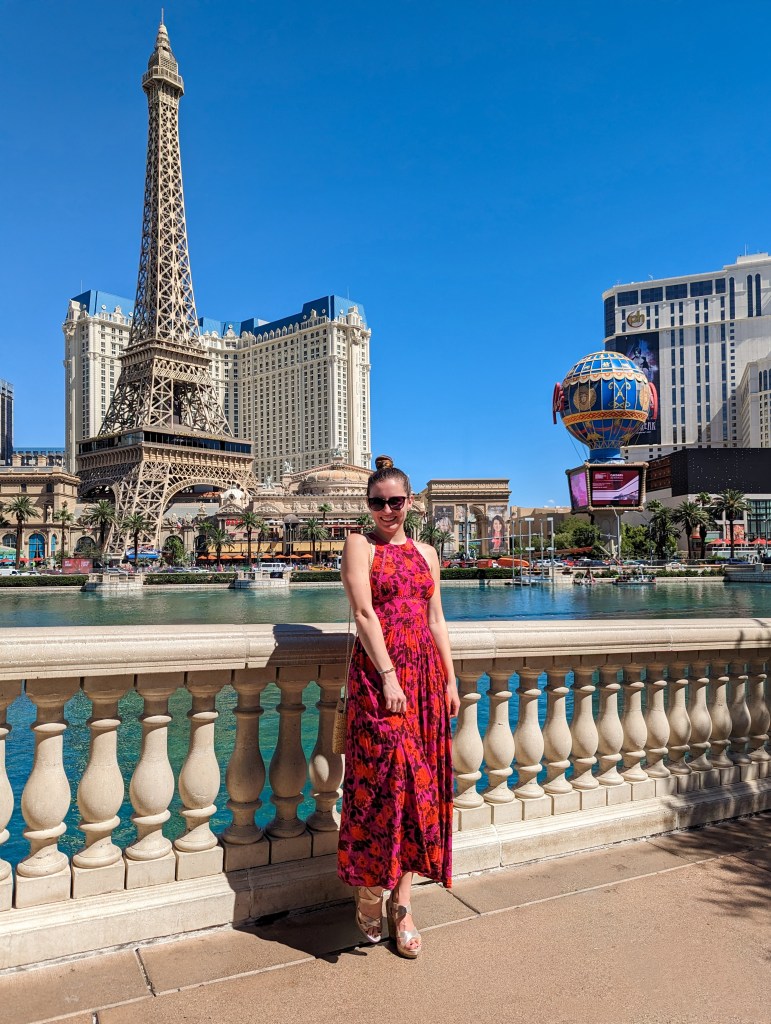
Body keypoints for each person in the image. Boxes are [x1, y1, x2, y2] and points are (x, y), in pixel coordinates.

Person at [338, 455, 460, 959]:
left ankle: (403, 905)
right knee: (379, 787)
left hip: (425, 678)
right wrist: (387, 675)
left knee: (420, 791)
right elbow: (364, 612)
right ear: (369, 506)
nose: (387, 510)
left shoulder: (428, 554)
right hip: (378, 678)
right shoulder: (359, 546)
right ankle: (370, 891)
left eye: (395, 501)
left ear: (410, 502)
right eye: (377, 502)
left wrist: (452, 678)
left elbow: (436, 621)